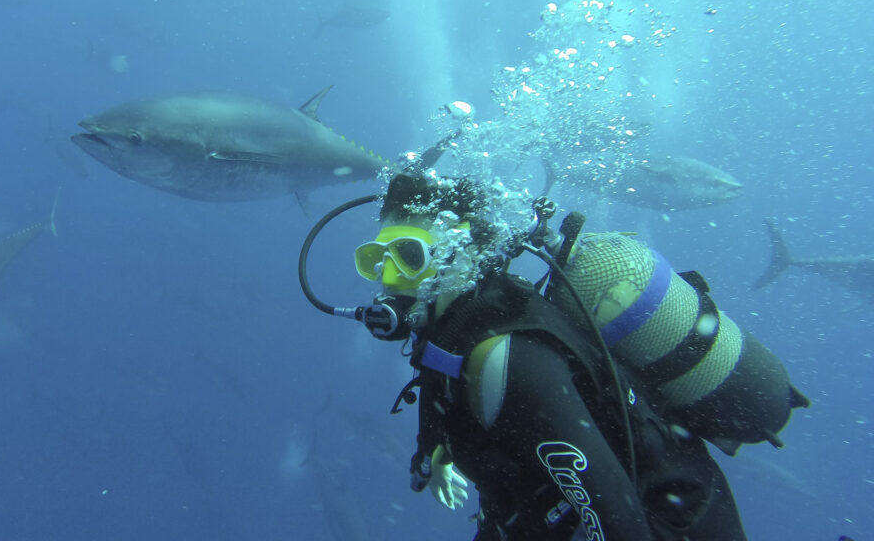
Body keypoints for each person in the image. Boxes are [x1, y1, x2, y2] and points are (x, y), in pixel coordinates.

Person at [299, 171, 810, 541]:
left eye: (409, 256)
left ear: (465, 253)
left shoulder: (507, 361)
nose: (388, 280)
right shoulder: (453, 329)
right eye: (376, 259)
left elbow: (619, 524)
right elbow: (440, 383)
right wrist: (434, 453)